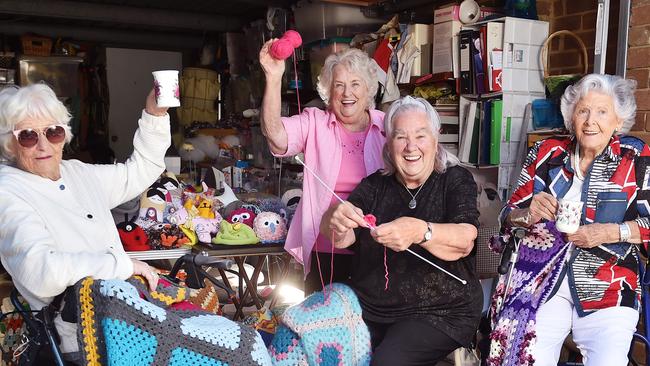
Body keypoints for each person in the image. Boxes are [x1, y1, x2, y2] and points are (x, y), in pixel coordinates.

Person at [0, 84, 168, 359]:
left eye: (53, 132)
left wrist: (155, 114)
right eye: (28, 136)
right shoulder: (7, 191)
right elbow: (42, 272)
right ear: (10, 143)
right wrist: (122, 266)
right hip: (81, 338)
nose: (44, 145)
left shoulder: (76, 172)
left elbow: (140, 172)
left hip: (123, 319)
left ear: (64, 134)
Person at [499, 74, 650, 365]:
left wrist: (611, 232)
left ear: (618, 121)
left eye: (602, 112)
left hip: (609, 283)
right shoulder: (546, 153)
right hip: (542, 280)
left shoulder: (636, 159)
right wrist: (526, 214)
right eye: (583, 111)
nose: (591, 121)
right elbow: (508, 214)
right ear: (572, 117)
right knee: (526, 357)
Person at [322, 96, 482, 365]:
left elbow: (466, 239)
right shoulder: (374, 185)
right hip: (370, 309)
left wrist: (421, 231)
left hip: (441, 311)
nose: (411, 147)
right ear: (388, 142)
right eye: (400, 137)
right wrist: (335, 220)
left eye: (420, 136)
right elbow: (342, 237)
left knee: (387, 362)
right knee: (318, 347)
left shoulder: (455, 180)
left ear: (435, 137)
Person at [259, 43, 386, 294]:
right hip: (325, 251)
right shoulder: (315, 122)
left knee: (371, 328)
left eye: (355, 84)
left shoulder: (386, 126)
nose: (346, 93)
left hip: (376, 250)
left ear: (369, 89)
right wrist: (273, 78)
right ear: (329, 91)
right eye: (339, 85)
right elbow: (275, 135)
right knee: (322, 327)